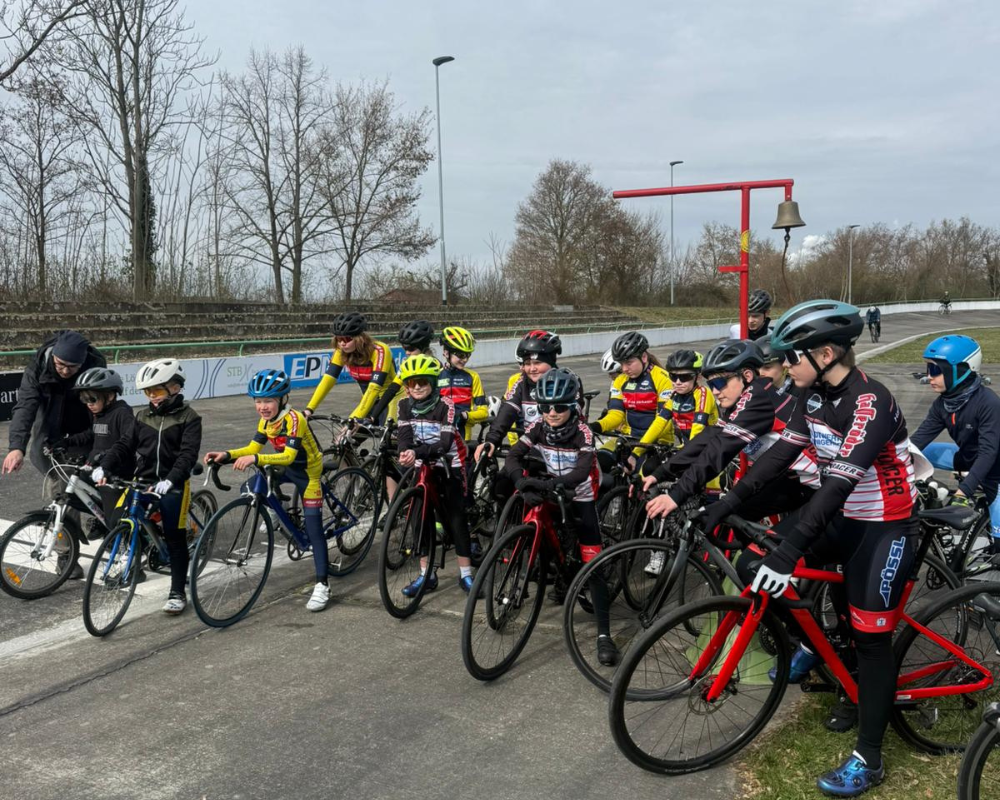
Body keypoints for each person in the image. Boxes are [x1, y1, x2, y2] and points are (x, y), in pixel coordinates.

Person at [698, 300, 918, 796]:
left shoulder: (870, 400)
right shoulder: (810, 392)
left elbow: (838, 484)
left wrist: (790, 549)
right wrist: (726, 502)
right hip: (841, 518)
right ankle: (815, 647)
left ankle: (869, 757)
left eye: (790, 357)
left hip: (884, 527)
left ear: (825, 354)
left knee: (871, 640)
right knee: (753, 562)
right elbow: (781, 453)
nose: (781, 367)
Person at [503, 367, 618, 665]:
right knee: (545, 531)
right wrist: (520, 482)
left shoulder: (583, 432)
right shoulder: (538, 427)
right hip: (554, 488)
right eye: (545, 407)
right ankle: (558, 570)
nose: (551, 413)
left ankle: (604, 634)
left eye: (559, 407)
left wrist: (545, 485)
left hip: (581, 495)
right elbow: (513, 456)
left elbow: (580, 473)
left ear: (573, 406)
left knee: (593, 564)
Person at [203, 369, 332, 612]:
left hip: (308, 473)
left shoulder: (294, 419)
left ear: (282, 400)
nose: (262, 407)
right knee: (250, 487)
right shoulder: (266, 421)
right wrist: (227, 455)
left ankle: (322, 584)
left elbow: (288, 455)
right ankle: (276, 509)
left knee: (314, 531)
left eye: (268, 401)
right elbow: (253, 448)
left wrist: (256, 459)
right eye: (258, 401)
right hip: (284, 467)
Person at [93, 359, 202, 616]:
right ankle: (138, 551)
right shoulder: (142, 416)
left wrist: (171, 480)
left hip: (173, 483)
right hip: (143, 480)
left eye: (157, 390)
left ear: (175, 387)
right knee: (119, 519)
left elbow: (187, 455)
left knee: (175, 538)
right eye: (147, 392)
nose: (152, 396)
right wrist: (105, 466)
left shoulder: (190, 417)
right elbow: (123, 445)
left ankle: (177, 592)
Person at [643, 339, 795, 520]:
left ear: (746, 375)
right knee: (734, 515)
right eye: (711, 385)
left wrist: (677, 494)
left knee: (735, 516)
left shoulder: (758, 397)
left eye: (719, 383)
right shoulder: (746, 396)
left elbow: (721, 449)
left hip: (809, 482)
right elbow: (708, 438)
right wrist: (662, 472)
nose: (715, 392)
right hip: (789, 476)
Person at [393, 354, 475, 595]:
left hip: (449, 462)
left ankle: (466, 574)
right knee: (420, 518)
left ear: (432, 383)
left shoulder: (445, 405)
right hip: (423, 461)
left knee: (455, 517)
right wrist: (404, 452)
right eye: (412, 382)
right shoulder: (404, 405)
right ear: (407, 386)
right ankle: (426, 575)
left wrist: (415, 451)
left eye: (423, 382)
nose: (417, 387)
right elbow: (404, 437)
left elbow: (445, 443)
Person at [911, 335, 1000, 556]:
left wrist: (963, 492)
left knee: (999, 547)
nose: (929, 376)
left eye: (935, 370)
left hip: (995, 471)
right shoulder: (943, 403)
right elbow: (917, 441)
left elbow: (988, 453)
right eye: (928, 369)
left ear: (961, 370)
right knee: (915, 453)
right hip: (967, 457)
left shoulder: (988, 403)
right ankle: (929, 493)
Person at [3, 329, 106, 478]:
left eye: (72, 366)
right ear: (53, 356)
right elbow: (26, 406)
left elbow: (102, 404)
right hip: (49, 423)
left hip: (82, 422)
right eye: (60, 364)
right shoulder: (38, 366)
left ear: (82, 362)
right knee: (54, 474)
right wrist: (16, 447)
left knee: (85, 473)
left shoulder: (95, 364)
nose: (65, 371)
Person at [63, 368, 136, 567]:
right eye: (84, 399)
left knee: (116, 522)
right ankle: (103, 521)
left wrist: (106, 460)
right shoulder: (100, 414)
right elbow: (91, 434)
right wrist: (66, 442)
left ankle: (133, 558)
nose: (88, 403)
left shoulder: (122, 413)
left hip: (116, 474)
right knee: (71, 494)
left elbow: (127, 442)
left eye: (92, 398)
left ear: (110, 395)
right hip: (97, 471)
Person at [589, 331, 672, 471]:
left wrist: (637, 451)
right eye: (621, 364)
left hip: (657, 442)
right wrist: (595, 426)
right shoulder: (620, 381)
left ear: (644, 357)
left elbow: (663, 423)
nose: (624, 369)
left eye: (628, 363)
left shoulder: (664, 379)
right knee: (600, 461)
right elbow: (616, 415)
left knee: (642, 473)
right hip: (628, 438)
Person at [304, 312, 396, 423]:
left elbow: (374, 388)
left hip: (391, 400)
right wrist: (309, 409)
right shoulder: (341, 351)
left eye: (347, 339)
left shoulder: (379, 350)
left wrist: (353, 418)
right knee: (350, 434)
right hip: (368, 401)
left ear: (359, 338)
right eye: (339, 339)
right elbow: (327, 380)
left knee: (385, 433)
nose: (342, 343)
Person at [366, 319, 438, 423]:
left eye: (411, 348)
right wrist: (373, 416)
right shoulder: (407, 365)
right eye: (405, 348)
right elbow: (392, 390)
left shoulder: (435, 365)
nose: (407, 352)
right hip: (412, 413)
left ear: (423, 347)